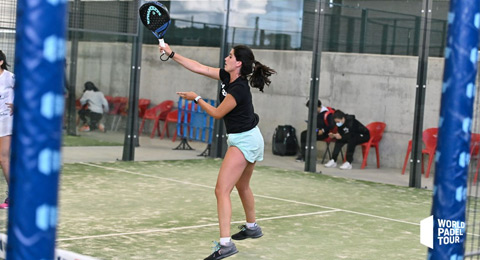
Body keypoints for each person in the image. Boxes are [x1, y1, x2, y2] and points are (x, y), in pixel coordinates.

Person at [160, 43, 275, 260]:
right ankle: (252, 227)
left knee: (221, 190)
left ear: (238, 63)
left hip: (245, 141)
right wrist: (171, 53)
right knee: (242, 186)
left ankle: (225, 246)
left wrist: (196, 98)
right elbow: (198, 67)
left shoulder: (238, 88)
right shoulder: (226, 76)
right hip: (251, 137)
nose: (226, 58)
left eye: (230, 56)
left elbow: (217, 113)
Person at [0, 50, 14, 209]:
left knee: (4, 159)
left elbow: (27, 92)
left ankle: (15, 195)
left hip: (6, 121)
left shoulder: (9, 77)